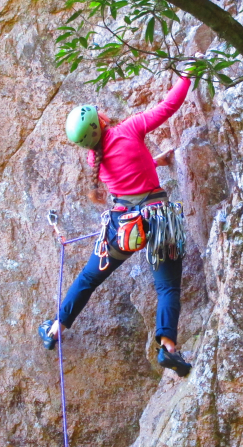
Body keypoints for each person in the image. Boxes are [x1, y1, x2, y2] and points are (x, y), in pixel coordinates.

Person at [38, 71, 193, 378]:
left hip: (123, 227)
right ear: (101, 121)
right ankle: (168, 350)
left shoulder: (94, 159)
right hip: (158, 220)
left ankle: (55, 328)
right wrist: (188, 75)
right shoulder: (129, 129)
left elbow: (127, 171)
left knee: (88, 279)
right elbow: (167, 106)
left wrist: (156, 162)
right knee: (167, 286)